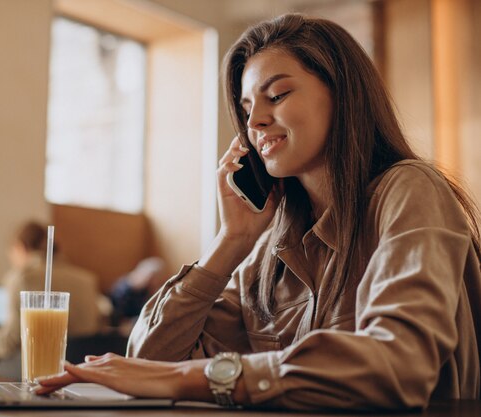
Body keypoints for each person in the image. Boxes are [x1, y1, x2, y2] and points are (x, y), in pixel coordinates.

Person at [35, 13, 481, 410]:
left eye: (278, 95)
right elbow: (146, 361)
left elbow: (401, 364)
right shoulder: (271, 250)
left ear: (342, 95)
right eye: (247, 108)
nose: (255, 123)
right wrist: (231, 243)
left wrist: (205, 378)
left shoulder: (408, 191)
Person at [0, 220, 104, 381]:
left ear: (20, 248)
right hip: (79, 371)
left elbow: (6, 345)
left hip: (36, 371)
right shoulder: (87, 279)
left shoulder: (22, 277)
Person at [108, 257, 166, 330]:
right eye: (153, 278)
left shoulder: (145, 289)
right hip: (122, 323)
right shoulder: (125, 288)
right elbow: (120, 316)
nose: (155, 282)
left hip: (135, 320)